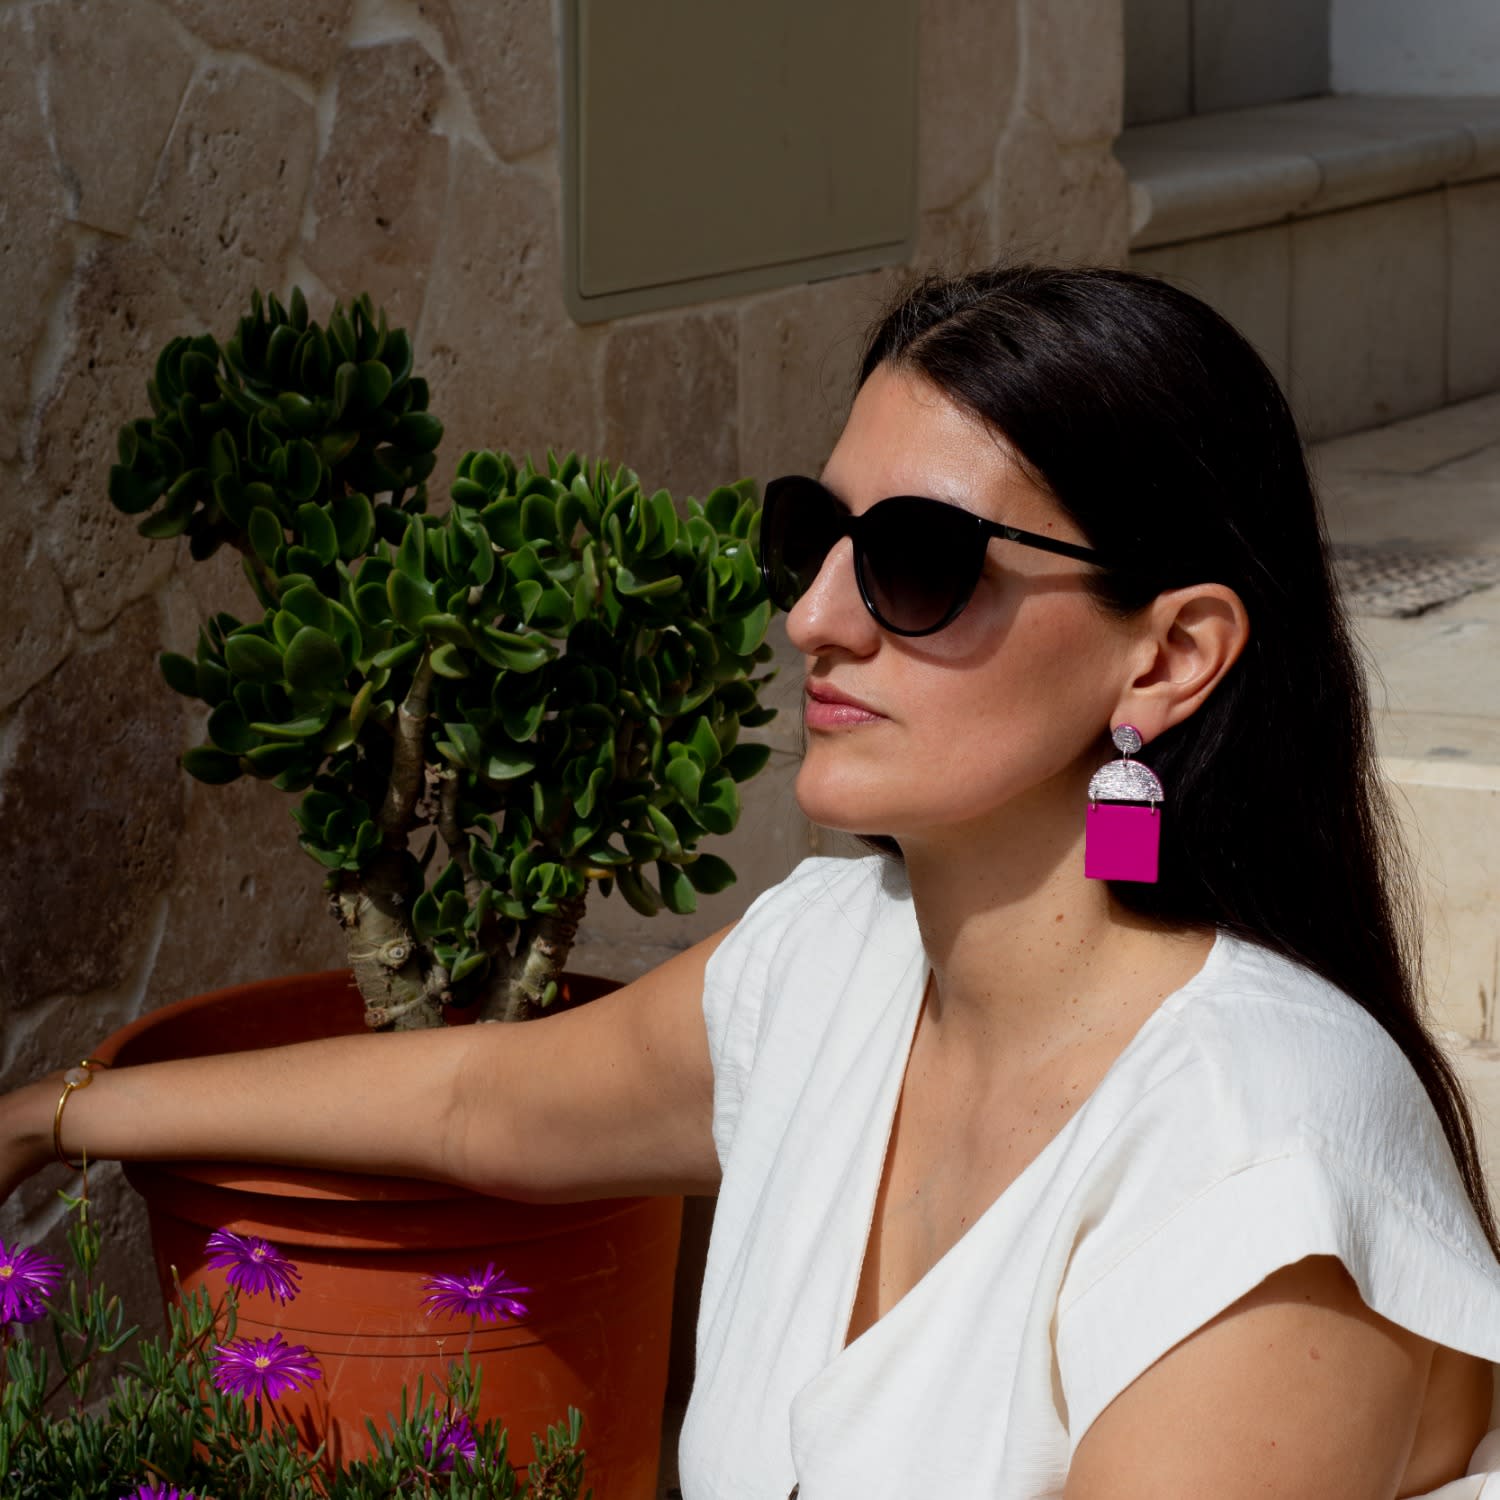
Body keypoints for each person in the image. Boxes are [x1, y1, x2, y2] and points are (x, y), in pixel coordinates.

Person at [3, 264, 1498, 1498]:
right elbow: (480, 1100)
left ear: (1167, 657)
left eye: (919, 560)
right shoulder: (832, 966)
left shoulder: (1254, 1172)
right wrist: (53, 1112)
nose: (814, 617)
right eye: (814, 536)